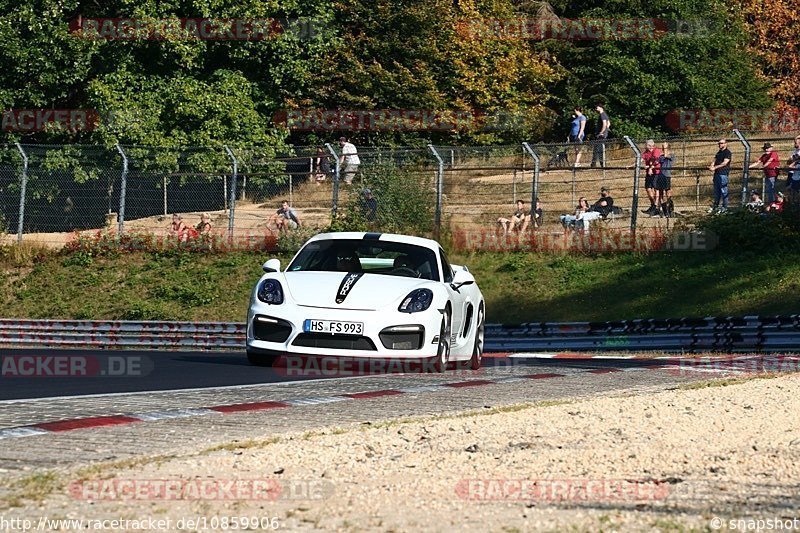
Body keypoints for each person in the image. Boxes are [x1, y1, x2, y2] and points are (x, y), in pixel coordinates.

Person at [708, 138, 732, 213]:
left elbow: (725, 163)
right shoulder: (718, 152)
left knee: (723, 191)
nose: (720, 145)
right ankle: (716, 206)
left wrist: (714, 167)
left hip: (723, 173)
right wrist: (711, 166)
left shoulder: (727, 152)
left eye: (721, 143)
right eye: (719, 143)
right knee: (716, 191)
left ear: (725, 144)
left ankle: (724, 207)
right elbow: (714, 160)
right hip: (717, 173)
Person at [641, 140, 662, 216]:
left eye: (646, 144)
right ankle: (653, 204)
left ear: (649, 145)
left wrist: (650, 167)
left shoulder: (656, 151)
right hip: (649, 173)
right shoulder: (646, 152)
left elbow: (656, 160)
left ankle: (656, 206)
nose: (645, 146)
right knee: (648, 188)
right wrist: (631, 165)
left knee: (656, 189)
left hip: (656, 172)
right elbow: (641, 159)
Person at [657, 142, 674, 217]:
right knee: (661, 193)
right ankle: (665, 211)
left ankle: (670, 208)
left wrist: (666, 152)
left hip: (667, 175)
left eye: (664, 147)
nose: (663, 148)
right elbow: (661, 159)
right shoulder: (661, 156)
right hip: (660, 175)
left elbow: (668, 156)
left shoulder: (672, 155)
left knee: (668, 192)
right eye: (663, 147)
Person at [591, 104, 610, 168]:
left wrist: (601, 132)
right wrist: (606, 130)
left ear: (601, 108)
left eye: (597, 107)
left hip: (601, 135)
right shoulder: (605, 114)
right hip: (604, 135)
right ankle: (599, 164)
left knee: (598, 150)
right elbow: (608, 123)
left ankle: (597, 164)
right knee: (599, 149)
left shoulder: (602, 115)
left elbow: (604, 124)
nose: (596, 108)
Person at [786, 135, 800, 202]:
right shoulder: (794, 151)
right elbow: (788, 162)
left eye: (796, 143)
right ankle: (790, 203)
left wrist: (796, 160)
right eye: (795, 143)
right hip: (792, 172)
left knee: (796, 190)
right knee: (789, 188)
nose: (795, 144)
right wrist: (791, 159)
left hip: (797, 173)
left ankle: (796, 203)